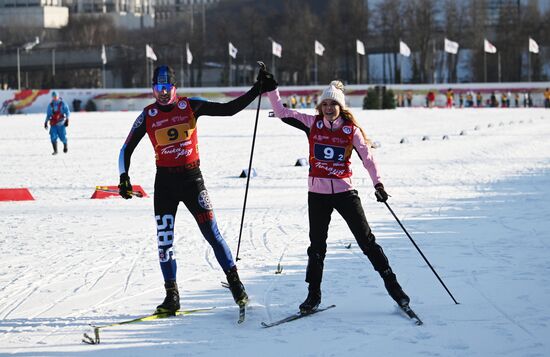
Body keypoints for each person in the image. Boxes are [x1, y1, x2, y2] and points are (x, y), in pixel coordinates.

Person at [118, 65, 270, 314]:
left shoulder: (190, 106)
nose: (163, 93)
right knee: (165, 241)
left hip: (192, 180)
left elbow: (229, 110)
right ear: (153, 89)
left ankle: (236, 286)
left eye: (167, 88)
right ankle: (172, 296)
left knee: (212, 233)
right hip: (165, 184)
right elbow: (126, 149)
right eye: (158, 88)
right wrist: (124, 177)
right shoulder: (148, 115)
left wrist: (256, 90)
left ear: (175, 87)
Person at [262, 70, 411, 314]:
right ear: (320, 106)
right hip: (317, 194)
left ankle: (395, 289)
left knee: (367, 241)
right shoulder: (312, 124)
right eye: (325, 104)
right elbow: (281, 112)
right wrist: (272, 89)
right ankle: (313, 295)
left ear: (341, 107)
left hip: (344, 193)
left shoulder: (351, 131)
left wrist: (379, 185)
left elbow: (369, 160)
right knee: (317, 246)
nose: (329, 108)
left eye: (333, 104)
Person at [44, 91, 70, 155]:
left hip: (61, 124)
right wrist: (46, 122)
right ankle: (55, 151)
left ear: (58, 96)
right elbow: (48, 114)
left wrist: (67, 119)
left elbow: (67, 112)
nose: (55, 98)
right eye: (53, 97)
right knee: (53, 136)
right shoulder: (50, 105)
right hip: (53, 124)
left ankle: (65, 145)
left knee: (62, 137)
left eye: (55, 96)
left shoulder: (63, 103)